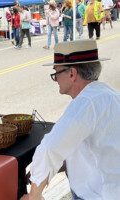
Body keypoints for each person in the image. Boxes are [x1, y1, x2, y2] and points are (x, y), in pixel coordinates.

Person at [21, 40, 120, 200]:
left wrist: (34, 195)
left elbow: (49, 148)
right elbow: (88, 151)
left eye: (56, 73)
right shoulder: (111, 96)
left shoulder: (86, 102)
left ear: (72, 74)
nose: (56, 80)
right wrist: (43, 174)